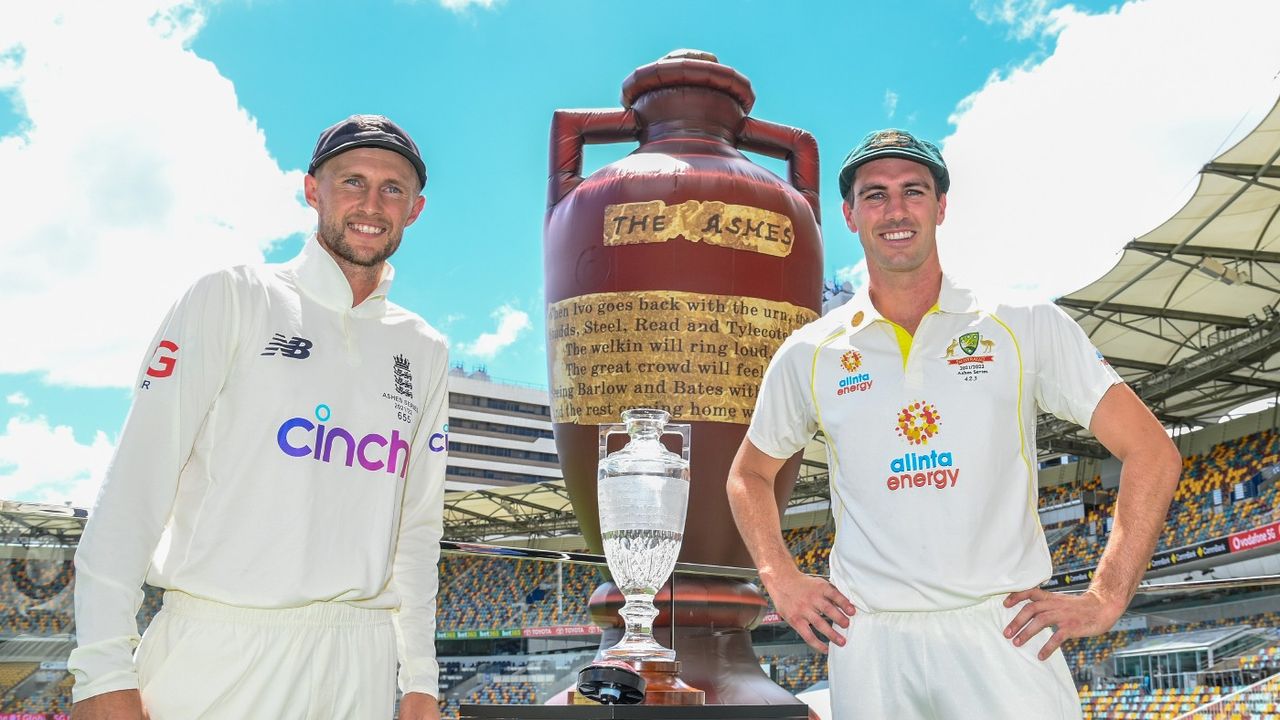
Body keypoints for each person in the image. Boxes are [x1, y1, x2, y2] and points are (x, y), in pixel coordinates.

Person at [727, 128, 1181, 719]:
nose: (895, 210)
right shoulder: (810, 351)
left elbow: (1153, 451)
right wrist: (779, 579)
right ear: (849, 214)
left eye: (913, 191)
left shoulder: (1023, 323)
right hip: (871, 641)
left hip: (1004, 629)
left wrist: (1105, 597)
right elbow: (748, 476)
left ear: (941, 207)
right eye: (875, 195)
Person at [68, 115, 448, 720]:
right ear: (312, 190)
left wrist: (421, 679)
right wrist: (100, 668)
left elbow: (418, 530)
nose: (371, 203)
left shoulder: (424, 348)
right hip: (221, 649)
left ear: (416, 208)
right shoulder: (230, 296)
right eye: (352, 181)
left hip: (363, 666)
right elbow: (135, 488)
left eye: (392, 188)